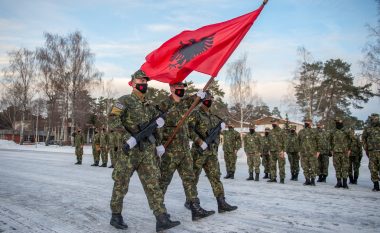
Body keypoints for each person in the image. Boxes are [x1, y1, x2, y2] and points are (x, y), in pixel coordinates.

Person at [109, 70, 180, 232]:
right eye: (140, 81)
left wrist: (160, 143)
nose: (143, 83)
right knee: (121, 183)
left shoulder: (149, 105)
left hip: (148, 151)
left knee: (153, 184)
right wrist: (129, 137)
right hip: (129, 151)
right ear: (132, 83)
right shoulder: (124, 101)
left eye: (145, 81)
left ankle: (161, 218)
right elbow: (113, 119)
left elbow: (159, 123)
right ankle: (116, 215)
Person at [158, 82, 215, 221]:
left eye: (183, 88)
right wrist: (158, 145)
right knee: (163, 182)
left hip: (184, 151)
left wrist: (200, 95)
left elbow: (193, 99)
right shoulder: (163, 105)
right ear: (171, 89)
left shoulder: (185, 103)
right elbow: (157, 127)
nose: (181, 90)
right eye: (178, 88)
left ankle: (195, 208)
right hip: (169, 152)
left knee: (190, 180)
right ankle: (160, 213)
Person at [188, 91, 237, 213]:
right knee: (193, 178)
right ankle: (191, 202)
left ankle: (221, 203)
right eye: (208, 98)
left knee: (216, 177)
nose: (210, 100)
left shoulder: (213, 117)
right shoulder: (196, 114)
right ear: (203, 99)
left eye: (212, 98)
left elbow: (215, 135)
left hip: (211, 153)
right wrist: (199, 141)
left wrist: (220, 129)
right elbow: (188, 130)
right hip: (198, 152)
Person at [330, 117, 353, 189]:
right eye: (336, 121)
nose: (338, 122)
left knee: (345, 167)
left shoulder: (347, 131)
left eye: (339, 121)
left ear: (342, 121)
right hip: (336, 152)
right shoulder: (333, 131)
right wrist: (331, 149)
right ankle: (339, 182)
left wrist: (350, 149)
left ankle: (345, 183)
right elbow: (330, 141)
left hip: (344, 152)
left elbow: (352, 140)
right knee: (337, 167)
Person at [298, 118, 320, 186]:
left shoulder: (314, 131)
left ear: (311, 123)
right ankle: (307, 180)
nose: (306, 123)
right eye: (305, 122)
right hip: (303, 153)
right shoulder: (301, 132)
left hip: (312, 153)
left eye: (308, 122)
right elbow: (298, 142)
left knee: (313, 167)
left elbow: (318, 141)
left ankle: (313, 180)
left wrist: (318, 151)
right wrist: (299, 151)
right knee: (305, 167)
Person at [362, 113, 380, 191]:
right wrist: (366, 149)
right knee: (373, 168)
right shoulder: (367, 128)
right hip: (372, 151)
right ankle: (376, 185)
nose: (374, 120)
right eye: (373, 119)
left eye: (376, 119)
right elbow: (363, 139)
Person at [268, 119, 286, 183]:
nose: (273, 124)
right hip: (272, 151)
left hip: (279, 151)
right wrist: (269, 150)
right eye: (272, 122)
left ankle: (282, 179)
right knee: (272, 165)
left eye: (274, 122)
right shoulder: (271, 131)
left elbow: (285, 142)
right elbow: (269, 141)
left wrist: (283, 151)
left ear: (278, 123)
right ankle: (273, 178)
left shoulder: (282, 131)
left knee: (281, 165)